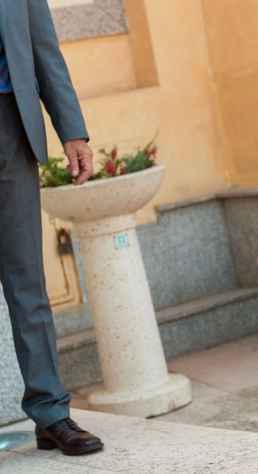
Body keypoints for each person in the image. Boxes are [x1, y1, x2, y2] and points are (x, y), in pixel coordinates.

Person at [0, 0, 103, 455]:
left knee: (27, 279)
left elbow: (44, 49)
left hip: (10, 128)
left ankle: (50, 413)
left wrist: (72, 131)